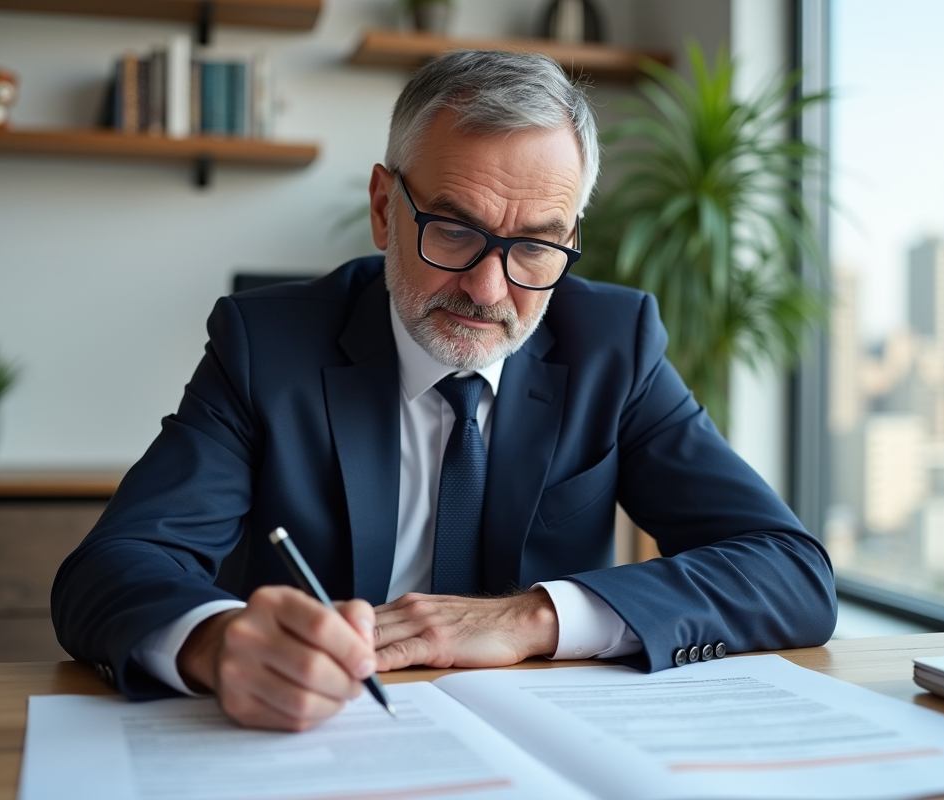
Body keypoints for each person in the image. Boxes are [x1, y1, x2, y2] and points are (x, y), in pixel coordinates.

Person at [52, 49, 837, 732]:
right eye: (456, 230)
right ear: (385, 208)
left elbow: (789, 570)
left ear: (568, 240)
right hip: (320, 742)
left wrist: (533, 616)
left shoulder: (613, 346)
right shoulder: (267, 348)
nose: (489, 289)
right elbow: (111, 568)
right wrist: (217, 642)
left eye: (533, 244)